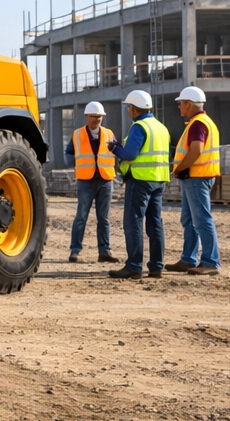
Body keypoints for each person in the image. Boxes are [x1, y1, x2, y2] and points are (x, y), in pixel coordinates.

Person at [107, 89, 169, 280]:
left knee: (133, 222)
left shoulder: (139, 126)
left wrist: (115, 148)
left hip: (140, 180)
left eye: (129, 108)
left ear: (134, 108)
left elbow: (130, 154)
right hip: (158, 179)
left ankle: (134, 266)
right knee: (155, 223)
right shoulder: (161, 127)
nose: (128, 111)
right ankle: (156, 267)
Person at [168, 85, 221, 275]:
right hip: (198, 176)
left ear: (189, 104)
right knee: (190, 220)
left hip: (197, 177)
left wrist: (181, 168)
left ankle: (210, 261)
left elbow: (196, 149)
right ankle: (188, 259)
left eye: (181, 103)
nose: (179, 107)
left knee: (201, 220)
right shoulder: (204, 122)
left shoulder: (198, 124)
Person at [68, 101, 117, 263]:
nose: (97, 119)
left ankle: (104, 251)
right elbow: (68, 153)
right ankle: (75, 251)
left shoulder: (109, 134)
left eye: (99, 117)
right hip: (85, 181)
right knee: (81, 217)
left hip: (105, 180)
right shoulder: (77, 134)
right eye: (93, 116)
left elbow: (117, 151)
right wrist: (75, 165)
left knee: (104, 219)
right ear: (86, 116)